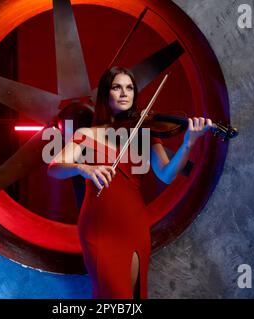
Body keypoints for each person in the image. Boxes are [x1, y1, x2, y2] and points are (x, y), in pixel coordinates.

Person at [47, 66, 212, 299]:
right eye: (117, 87)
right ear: (106, 94)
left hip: (134, 226)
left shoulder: (144, 133)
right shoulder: (86, 134)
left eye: (129, 88)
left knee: (134, 298)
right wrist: (82, 167)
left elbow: (166, 174)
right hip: (99, 228)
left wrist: (188, 143)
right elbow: (54, 169)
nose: (124, 93)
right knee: (112, 297)